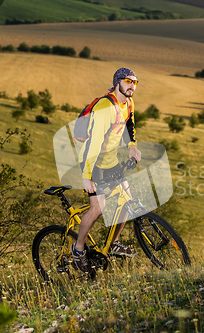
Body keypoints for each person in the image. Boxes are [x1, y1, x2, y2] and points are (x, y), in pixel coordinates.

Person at [72, 67, 141, 274]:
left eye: (135, 83)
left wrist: (132, 146)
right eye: (128, 81)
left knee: (126, 202)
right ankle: (78, 250)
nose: (132, 86)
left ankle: (113, 243)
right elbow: (92, 144)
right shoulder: (105, 107)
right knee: (98, 208)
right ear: (118, 82)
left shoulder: (128, 103)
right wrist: (86, 177)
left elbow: (129, 124)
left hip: (110, 162)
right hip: (93, 164)